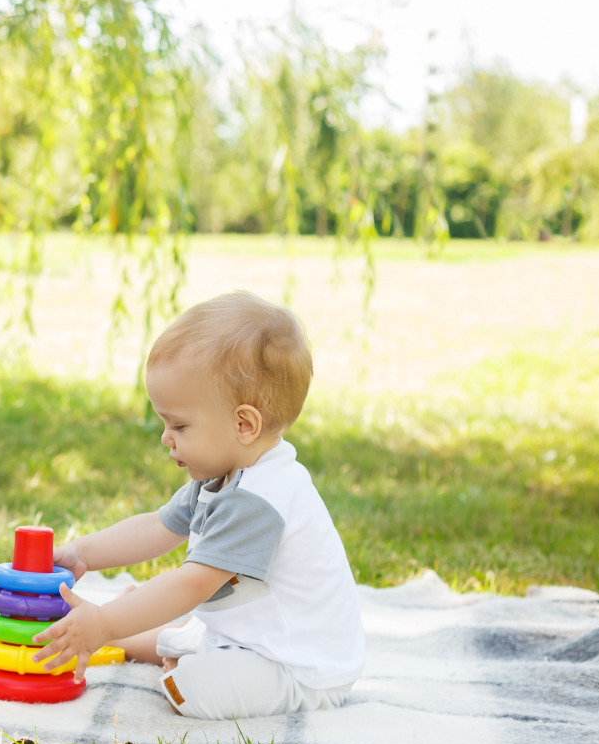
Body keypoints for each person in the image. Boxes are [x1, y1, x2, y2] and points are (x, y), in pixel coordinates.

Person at [34, 291, 363, 719]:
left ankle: (134, 634)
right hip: (248, 638)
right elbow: (158, 527)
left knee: (187, 687)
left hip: (299, 667)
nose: (166, 437)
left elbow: (192, 585)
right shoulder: (223, 472)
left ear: (244, 424)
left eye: (179, 424)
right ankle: (137, 632)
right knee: (190, 638)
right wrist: (83, 553)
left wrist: (105, 621)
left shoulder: (261, 498)